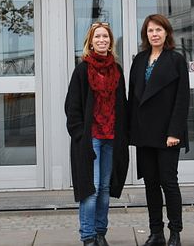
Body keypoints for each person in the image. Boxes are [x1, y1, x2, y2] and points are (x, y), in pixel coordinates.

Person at [65, 22, 129, 246]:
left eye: (106, 37)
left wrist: (125, 134)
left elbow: (122, 104)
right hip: (90, 140)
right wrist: (80, 137)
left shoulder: (117, 69)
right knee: (89, 190)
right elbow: (72, 108)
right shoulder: (82, 70)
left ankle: (101, 233)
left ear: (111, 42)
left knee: (103, 189)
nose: (102, 40)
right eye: (98, 37)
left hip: (111, 138)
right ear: (90, 42)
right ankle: (88, 236)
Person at [128, 14, 190, 246]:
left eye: (158, 30)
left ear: (166, 33)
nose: (154, 34)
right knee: (151, 184)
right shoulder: (139, 59)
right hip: (144, 134)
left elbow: (182, 99)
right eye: (150, 30)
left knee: (169, 183)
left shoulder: (175, 60)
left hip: (167, 135)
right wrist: (130, 131)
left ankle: (175, 233)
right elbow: (132, 98)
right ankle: (156, 233)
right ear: (146, 34)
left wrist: (175, 132)